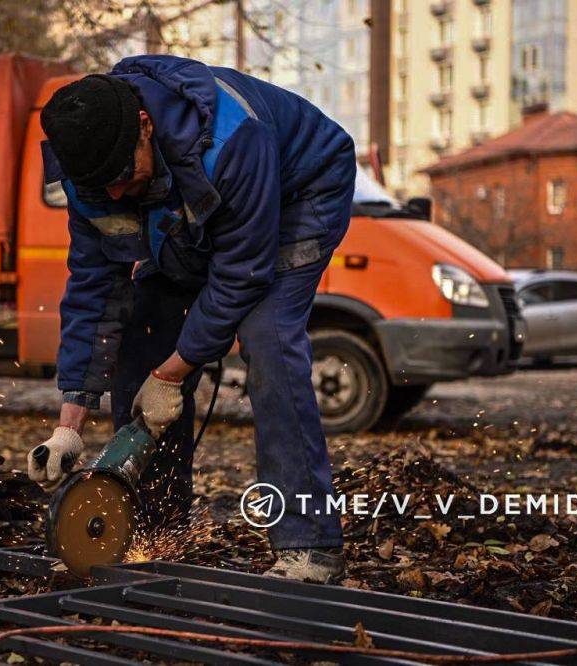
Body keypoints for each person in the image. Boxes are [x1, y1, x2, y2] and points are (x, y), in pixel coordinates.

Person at [27, 55, 356, 583]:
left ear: (144, 125)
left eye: (119, 177)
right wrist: (70, 422)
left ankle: (309, 543)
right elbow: (94, 288)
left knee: (267, 336)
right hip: (195, 208)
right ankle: (159, 531)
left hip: (303, 191)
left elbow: (241, 275)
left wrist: (172, 373)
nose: (112, 194)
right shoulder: (90, 166)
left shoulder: (232, 139)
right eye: (99, 185)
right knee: (144, 338)